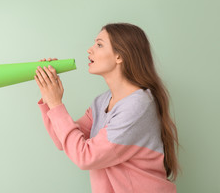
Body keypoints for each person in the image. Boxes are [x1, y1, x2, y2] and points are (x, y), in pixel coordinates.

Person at [34, 23, 179, 193]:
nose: (90, 49)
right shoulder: (102, 102)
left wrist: (56, 103)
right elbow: (63, 141)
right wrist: (48, 95)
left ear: (119, 56)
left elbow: (85, 157)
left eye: (99, 44)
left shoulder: (138, 106)